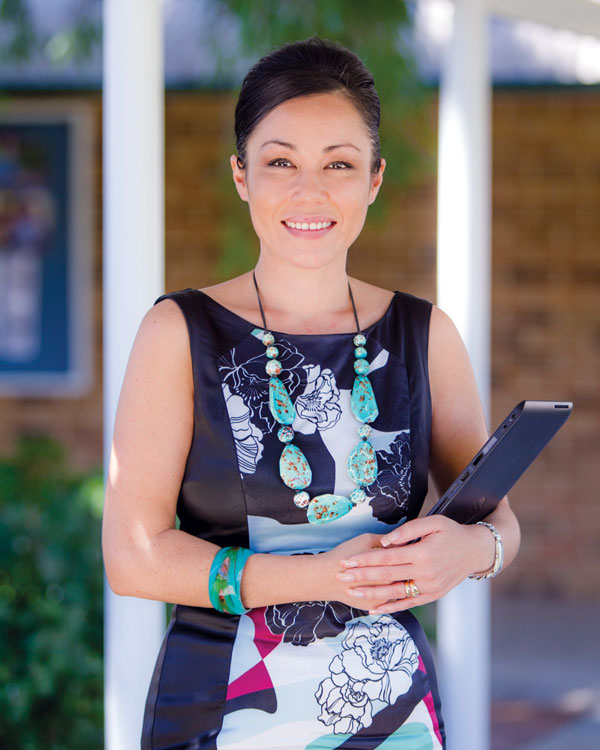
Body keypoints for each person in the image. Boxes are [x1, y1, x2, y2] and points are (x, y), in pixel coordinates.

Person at [102, 36, 520, 750]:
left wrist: (473, 553)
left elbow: (501, 525)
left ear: (374, 180)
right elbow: (133, 557)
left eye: (339, 164)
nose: (310, 191)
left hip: (393, 714)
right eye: (280, 162)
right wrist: (318, 575)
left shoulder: (426, 335)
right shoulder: (179, 332)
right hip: (222, 711)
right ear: (241, 175)